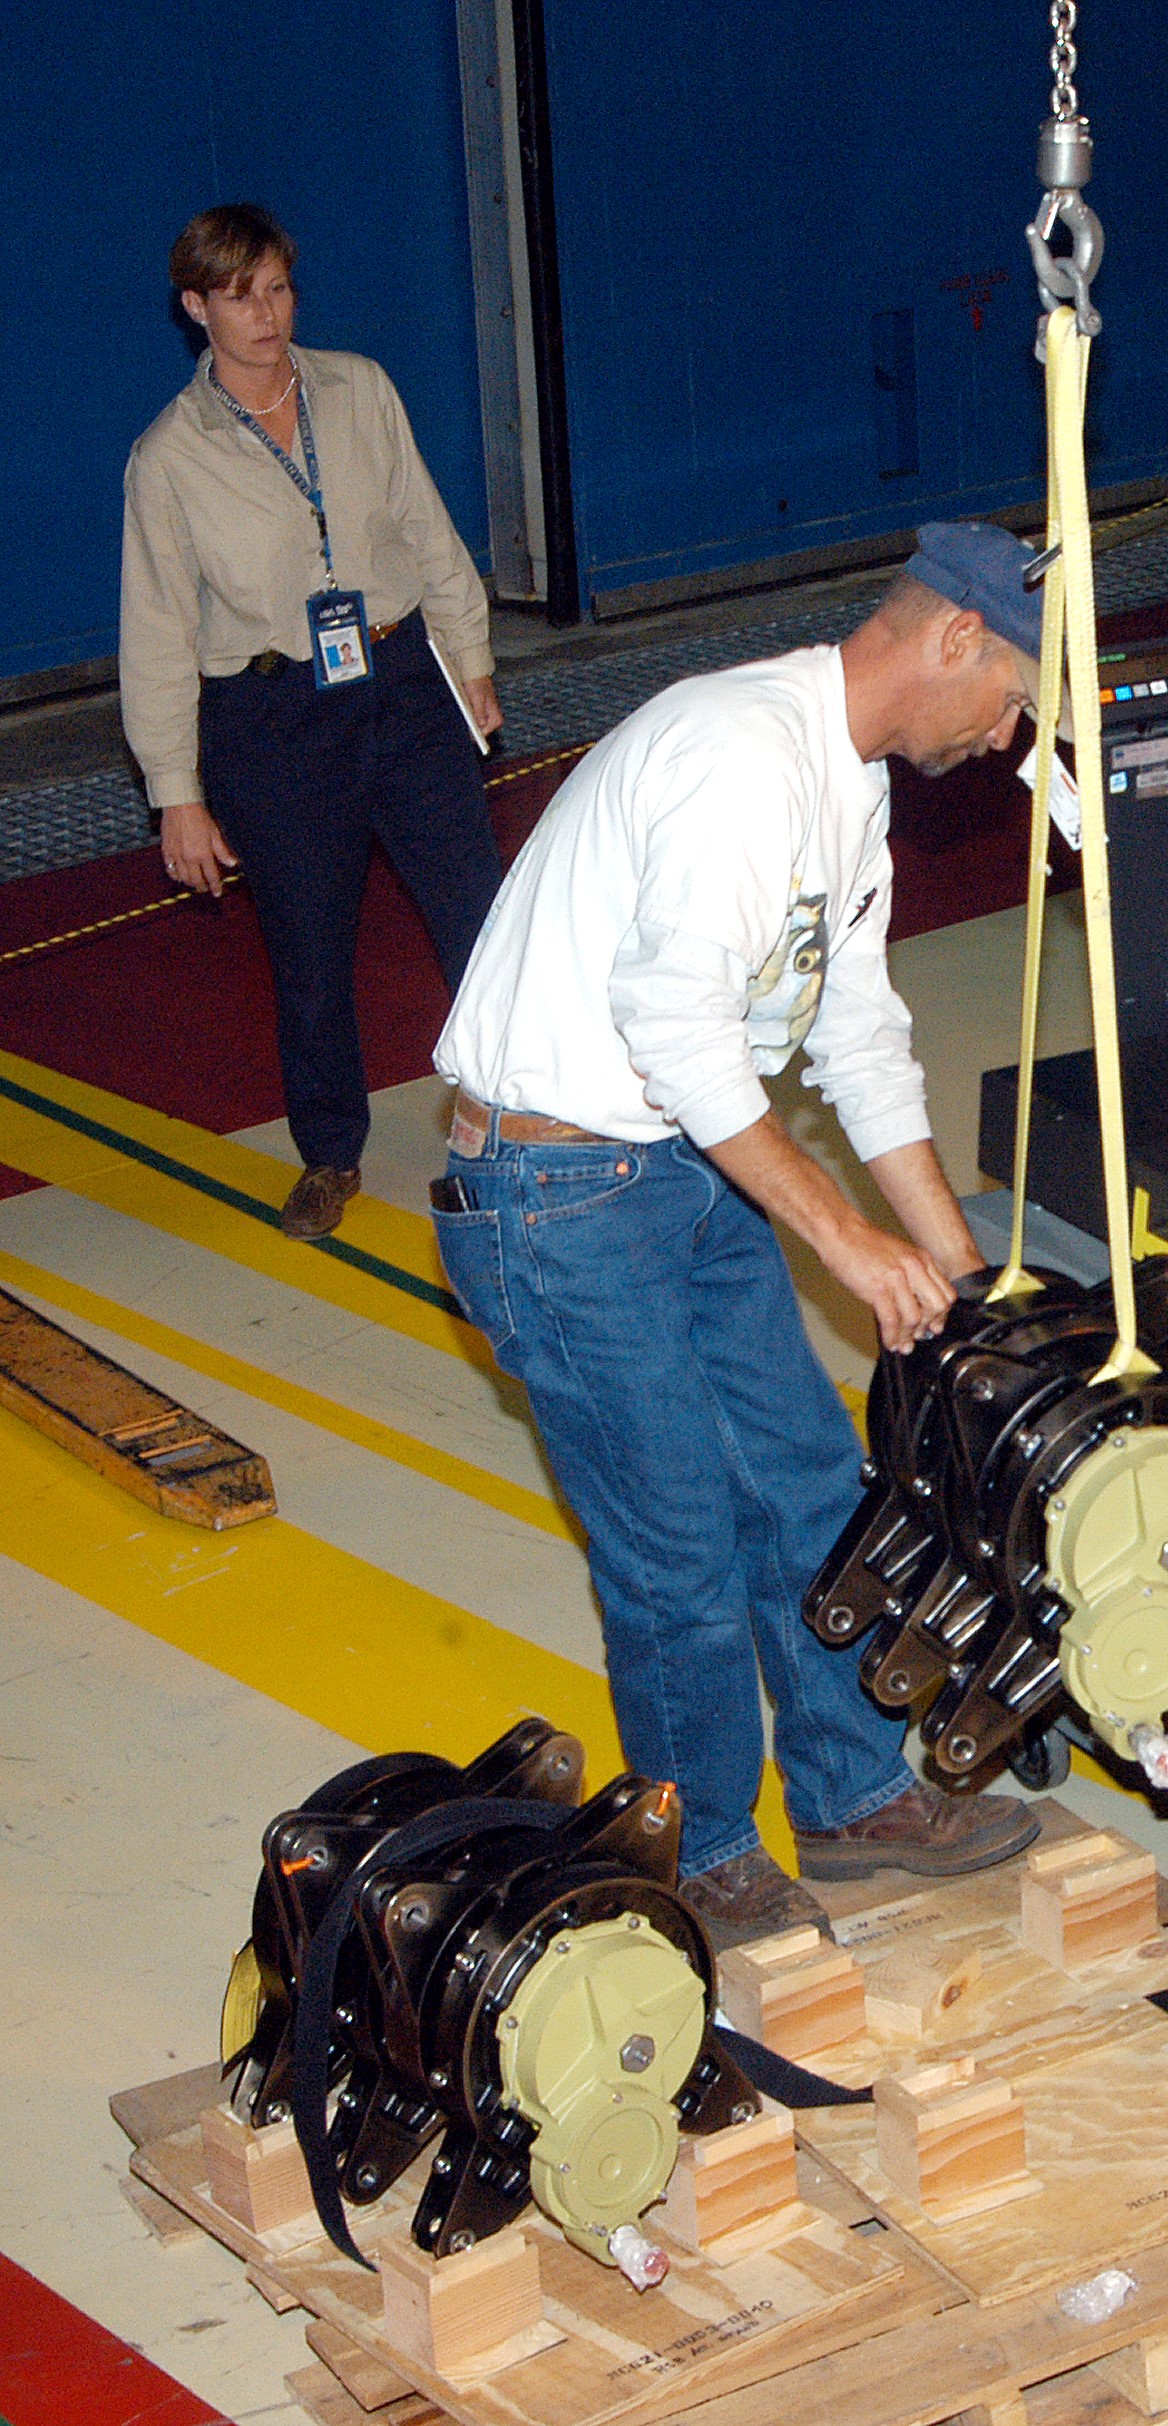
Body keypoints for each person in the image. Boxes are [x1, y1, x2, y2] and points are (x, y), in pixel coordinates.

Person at [431, 523, 1053, 1947]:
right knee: (680, 1552)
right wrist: (843, 1237)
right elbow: (681, 1036)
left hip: (677, 1172)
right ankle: (698, 1850)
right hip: (556, 1195)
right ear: (956, 636)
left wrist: (963, 1278)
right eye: (1016, 698)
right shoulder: (736, 754)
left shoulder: (847, 794)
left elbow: (856, 1034)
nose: (1008, 734)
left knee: (811, 1488)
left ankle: (847, 1801)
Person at [122, 205, 507, 1239]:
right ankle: (331, 1150)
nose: (268, 314)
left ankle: (513, 1123)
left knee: (482, 912)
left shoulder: (360, 387)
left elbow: (426, 525)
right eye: (241, 295)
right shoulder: (168, 458)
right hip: (273, 717)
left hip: (403, 681)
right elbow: (156, 633)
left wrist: (469, 657)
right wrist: (178, 796)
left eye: (281, 288)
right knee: (309, 950)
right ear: (195, 306)